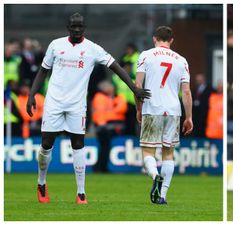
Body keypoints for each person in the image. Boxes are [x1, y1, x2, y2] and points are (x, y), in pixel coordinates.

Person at [26, 13, 150, 205]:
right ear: (68, 27)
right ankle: (41, 183)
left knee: (78, 145)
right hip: (54, 102)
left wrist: (134, 87)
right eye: (74, 27)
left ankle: (81, 193)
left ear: (84, 28)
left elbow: (115, 66)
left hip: (77, 105)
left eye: (80, 27)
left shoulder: (93, 49)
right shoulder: (55, 45)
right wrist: (32, 94)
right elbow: (43, 70)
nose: (77, 30)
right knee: (46, 144)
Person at [135, 26, 193, 205]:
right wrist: (189, 117)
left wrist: (138, 108)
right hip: (173, 111)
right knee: (168, 153)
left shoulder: (145, 55)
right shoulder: (182, 61)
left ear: (154, 39)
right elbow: (186, 92)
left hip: (152, 107)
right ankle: (163, 195)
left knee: (147, 151)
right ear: (171, 40)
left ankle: (154, 175)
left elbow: (138, 85)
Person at [91, 81, 127, 173]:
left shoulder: (113, 97)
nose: (112, 88)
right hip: (103, 127)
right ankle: (100, 168)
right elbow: (100, 113)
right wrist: (102, 124)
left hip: (106, 126)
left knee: (105, 147)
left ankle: (100, 167)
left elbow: (122, 107)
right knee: (105, 147)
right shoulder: (100, 97)